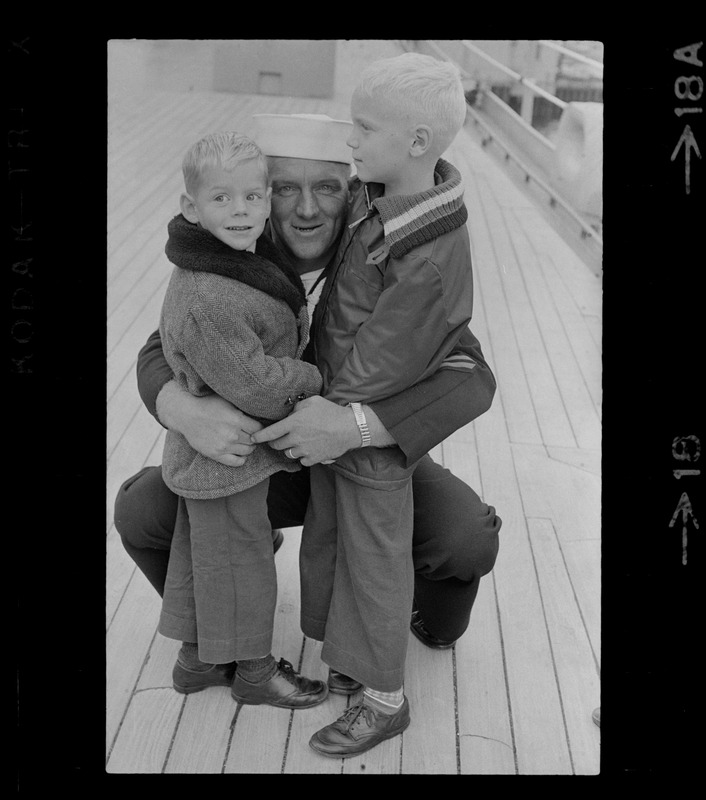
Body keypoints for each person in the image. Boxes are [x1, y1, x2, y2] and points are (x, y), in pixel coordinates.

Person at [113, 111, 501, 706]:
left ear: (351, 191)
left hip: (359, 452)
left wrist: (353, 427)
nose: (306, 209)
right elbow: (161, 345)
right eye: (285, 188)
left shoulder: (387, 251)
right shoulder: (236, 245)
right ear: (264, 194)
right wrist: (182, 410)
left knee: (466, 537)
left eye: (325, 188)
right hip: (260, 455)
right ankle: (215, 635)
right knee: (141, 511)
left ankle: (431, 620)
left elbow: (471, 372)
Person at [252, 52, 486, 757]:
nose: (349, 142)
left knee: (375, 564)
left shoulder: (430, 247)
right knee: (332, 546)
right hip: (340, 421)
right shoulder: (381, 199)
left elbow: (390, 353)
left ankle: (385, 699)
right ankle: (349, 665)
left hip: (364, 437)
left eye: (363, 127)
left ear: (417, 142)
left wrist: (333, 415)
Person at [153, 130, 327, 709]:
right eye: (222, 198)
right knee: (241, 557)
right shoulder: (208, 294)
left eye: (252, 197)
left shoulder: (240, 259)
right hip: (226, 456)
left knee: (204, 552)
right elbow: (257, 386)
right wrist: (314, 378)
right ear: (191, 208)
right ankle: (252, 670)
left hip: (221, 455)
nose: (241, 210)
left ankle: (198, 660)